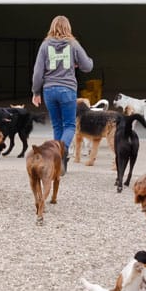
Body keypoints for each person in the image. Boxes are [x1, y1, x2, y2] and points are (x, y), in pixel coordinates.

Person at [31, 15, 93, 174]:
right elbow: (87, 66)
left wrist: (36, 91)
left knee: (57, 126)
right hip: (67, 90)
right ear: (68, 27)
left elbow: (38, 72)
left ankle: (58, 166)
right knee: (70, 126)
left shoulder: (45, 45)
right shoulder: (73, 44)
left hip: (49, 91)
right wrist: (85, 61)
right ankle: (56, 153)